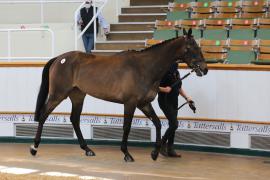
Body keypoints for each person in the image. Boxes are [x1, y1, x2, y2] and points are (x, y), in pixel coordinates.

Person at [158, 62, 193, 157]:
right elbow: (153, 86)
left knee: (172, 125)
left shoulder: (176, 73)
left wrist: (187, 98)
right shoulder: (163, 73)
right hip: (164, 101)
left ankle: (170, 149)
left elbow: (178, 87)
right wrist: (163, 89)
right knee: (174, 124)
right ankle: (161, 144)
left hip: (174, 101)